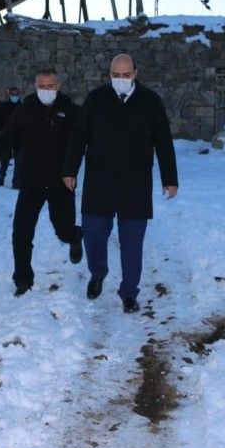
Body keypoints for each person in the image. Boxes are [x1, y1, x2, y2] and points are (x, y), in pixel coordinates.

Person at [62, 53, 178, 314]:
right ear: (109, 74)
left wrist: (170, 179)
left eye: (126, 75)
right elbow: (78, 137)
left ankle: (129, 292)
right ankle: (98, 273)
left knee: (132, 242)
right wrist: (69, 170)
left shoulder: (151, 101)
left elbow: (163, 141)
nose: (121, 79)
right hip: (99, 181)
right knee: (93, 234)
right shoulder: (96, 99)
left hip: (135, 184)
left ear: (135, 73)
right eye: (116, 75)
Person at [0, 69, 83, 296]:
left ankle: (75, 236)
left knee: (63, 230)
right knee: (21, 233)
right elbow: (4, 138)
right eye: (41, 86)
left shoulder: (71, 111)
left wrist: (72, 171)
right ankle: (23, 279)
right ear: (35, 86)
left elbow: (82, 143)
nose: (46, 90)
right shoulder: (25, 110)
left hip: (61, 183)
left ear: (58, 86)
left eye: (50, 86)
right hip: (31, 182)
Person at [0, 86, 22, 187]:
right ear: (9, 95)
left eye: (16, 94)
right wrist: (1, 131)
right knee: (5, 159)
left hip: (19, 138)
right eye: (13, 94)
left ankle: (16, 182)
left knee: (18, 161)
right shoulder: (4, 106)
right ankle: (2, 178)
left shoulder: (22, 106)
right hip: (7, 136)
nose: (15, 96)